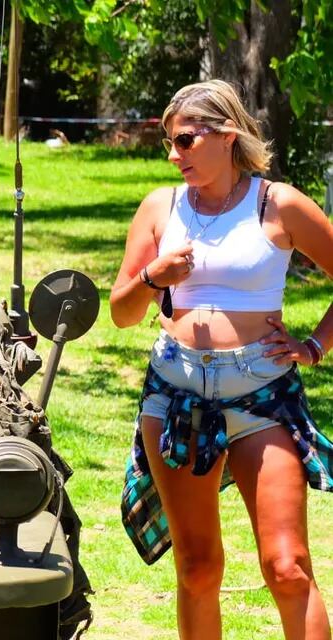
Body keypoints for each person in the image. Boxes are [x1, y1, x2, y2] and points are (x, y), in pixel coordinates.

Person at [112, 79, 333, 640]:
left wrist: (314, 346)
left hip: (263, 395)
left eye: (185, 140)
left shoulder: (276, 203)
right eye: (169, 142)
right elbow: (121, 312)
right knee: (198, 568)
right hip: (178, 394)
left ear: (226, 135)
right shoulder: (161, 207)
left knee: (287, 567)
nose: (173, 154)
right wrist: (151, 277)